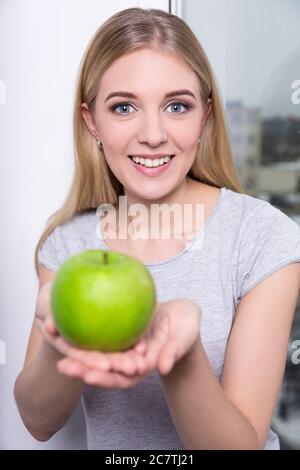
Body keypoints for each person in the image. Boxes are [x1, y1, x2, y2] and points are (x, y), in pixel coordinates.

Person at [14, 7, 300, 450]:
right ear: (92, 122)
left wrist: (180, 360)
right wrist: (58, 341)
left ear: (204, 115)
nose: (153, 134)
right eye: (124, 107)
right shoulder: (69, 245)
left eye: (176, 106)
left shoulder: (261, 236)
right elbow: (37, 423)